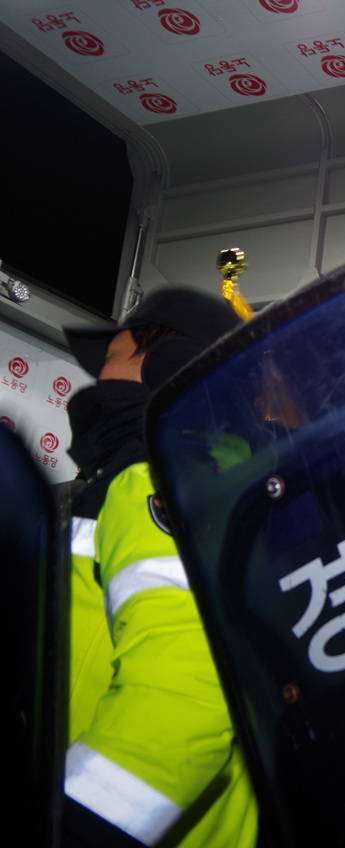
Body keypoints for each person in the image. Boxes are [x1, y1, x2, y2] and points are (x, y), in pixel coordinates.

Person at [61, 288, 256, 847]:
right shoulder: (222, 486)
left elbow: (187, 691)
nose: (96, 379)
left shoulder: (154, 479)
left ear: (165, 363)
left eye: (110, 357)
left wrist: (72, 826)